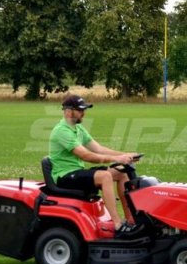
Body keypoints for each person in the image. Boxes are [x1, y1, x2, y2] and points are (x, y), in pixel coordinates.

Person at [48, 93, 141, 237]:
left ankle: (131, 221)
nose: (83, 113)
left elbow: (98, 149)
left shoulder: (78, 129)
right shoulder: (62, 131)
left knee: (121, 173)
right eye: (80, 110)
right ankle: (118, 225)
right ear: (68, 111)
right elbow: (86, 155)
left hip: (76, 172)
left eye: (84, 109)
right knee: (105, 176)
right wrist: (116, 158)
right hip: (64, 176)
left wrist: (125, 155)